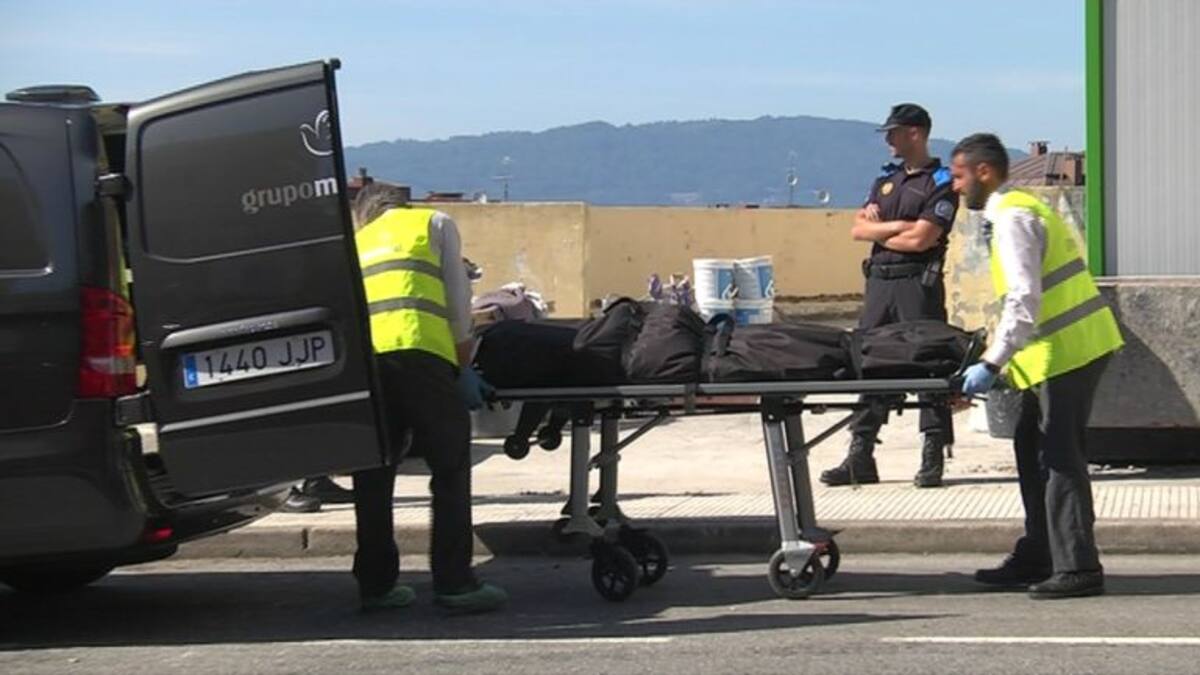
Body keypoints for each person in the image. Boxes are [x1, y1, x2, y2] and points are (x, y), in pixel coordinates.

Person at [951, 133, 1123, 599]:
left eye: (959, 176)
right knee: (1031, 446)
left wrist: (991, 362)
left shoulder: (1014, 218)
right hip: (1051, 355)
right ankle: (1039, 554)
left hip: (1070, 351)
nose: (954, 186)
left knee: (1058, 455)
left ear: (984, 172)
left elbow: (1024, 300)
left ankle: (1078, 566)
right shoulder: (1009, 212)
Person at [349, 182, 507, 613]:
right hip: (424, 356)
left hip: (371, 365)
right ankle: (455, 583)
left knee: (374, 475)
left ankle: (376, 586)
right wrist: (463, 366)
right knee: (451, 466)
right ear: (403, 205)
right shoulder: (432, 223)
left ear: (365, 214)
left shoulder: (355, 242)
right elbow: (458, 301)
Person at [820, 103, 960, 489]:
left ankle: (933, 453)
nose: (888, 140)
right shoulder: (887, 181)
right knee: (871, 363)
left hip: (917, 283)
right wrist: (898, 226)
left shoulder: (941, 182)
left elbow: (923, 239)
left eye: (893, 132)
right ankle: (861, 454)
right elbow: (858, 230)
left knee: (929, 363)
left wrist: (884, 229)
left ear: (914, 133)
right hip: (879, 283)